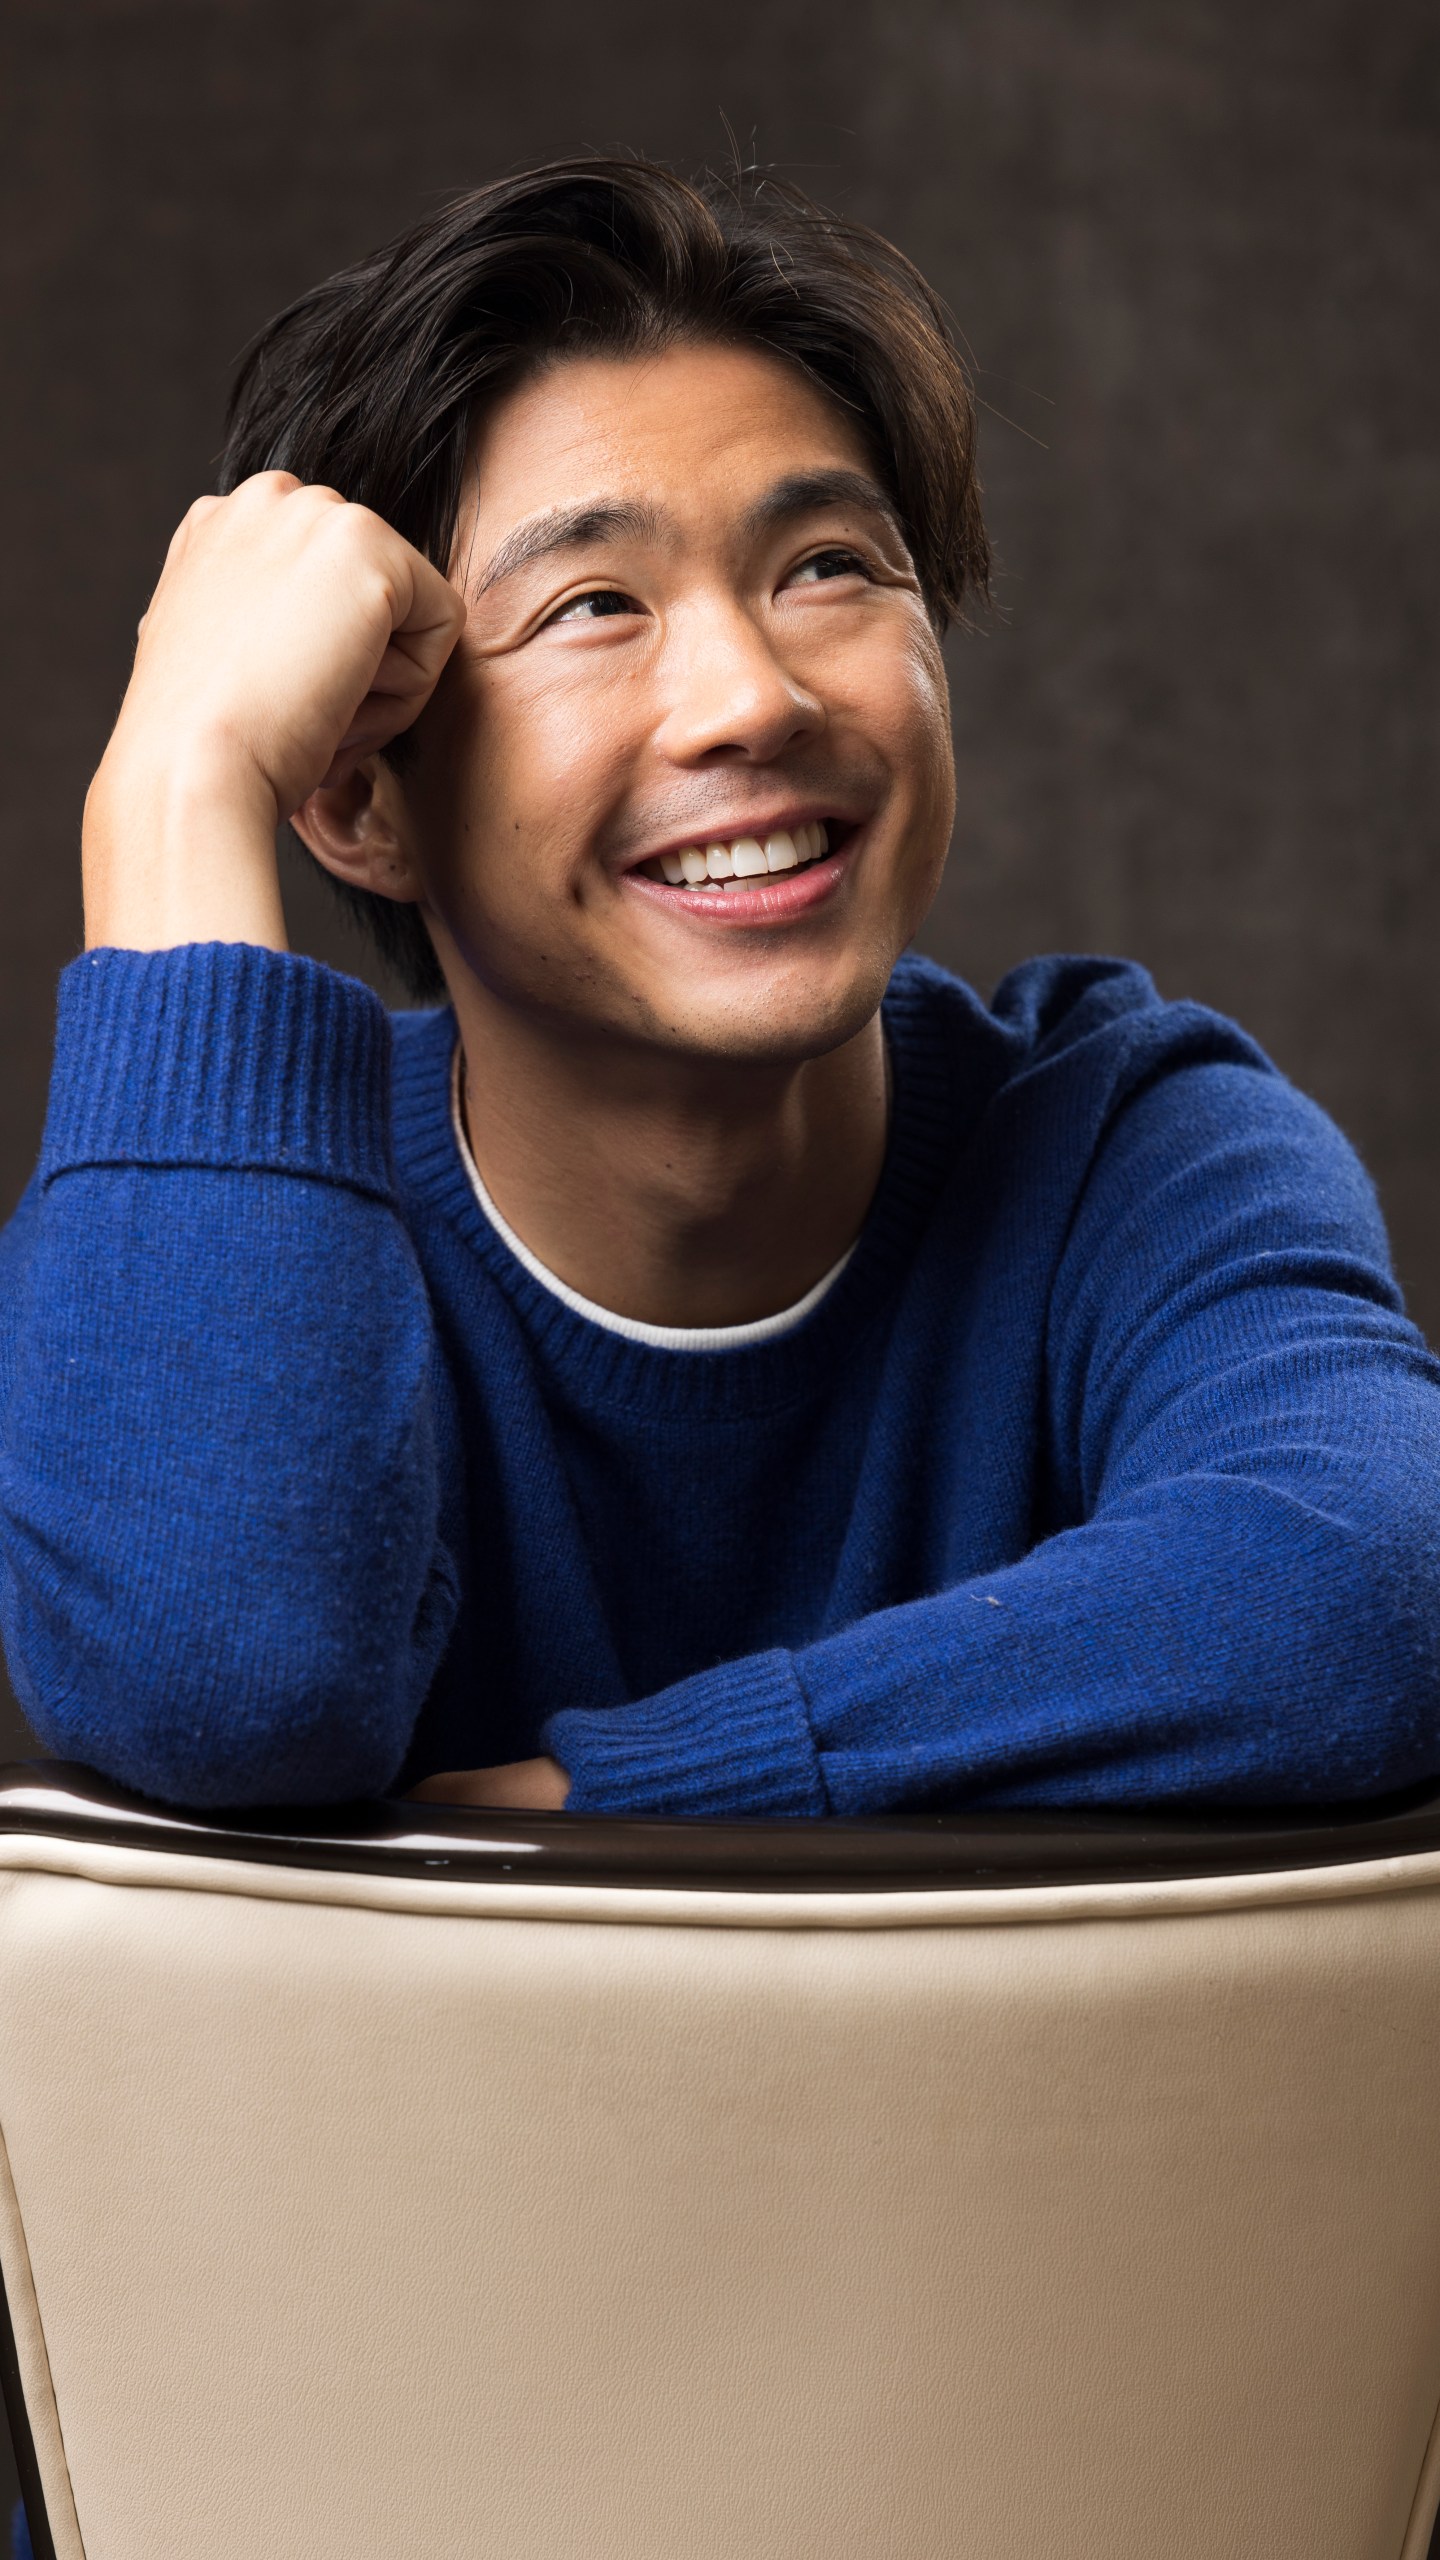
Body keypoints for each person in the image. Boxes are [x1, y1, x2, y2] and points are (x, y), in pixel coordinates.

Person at [1, 154, 1438, 1837]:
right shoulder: (232, 1246)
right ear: (359, 796)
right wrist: (178, 784)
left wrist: (653, 1800)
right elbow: (223, 1687)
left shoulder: (1134, 1144)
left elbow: (1379, 1585)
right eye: (594, 606)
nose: (750, 697)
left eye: (826, 567)